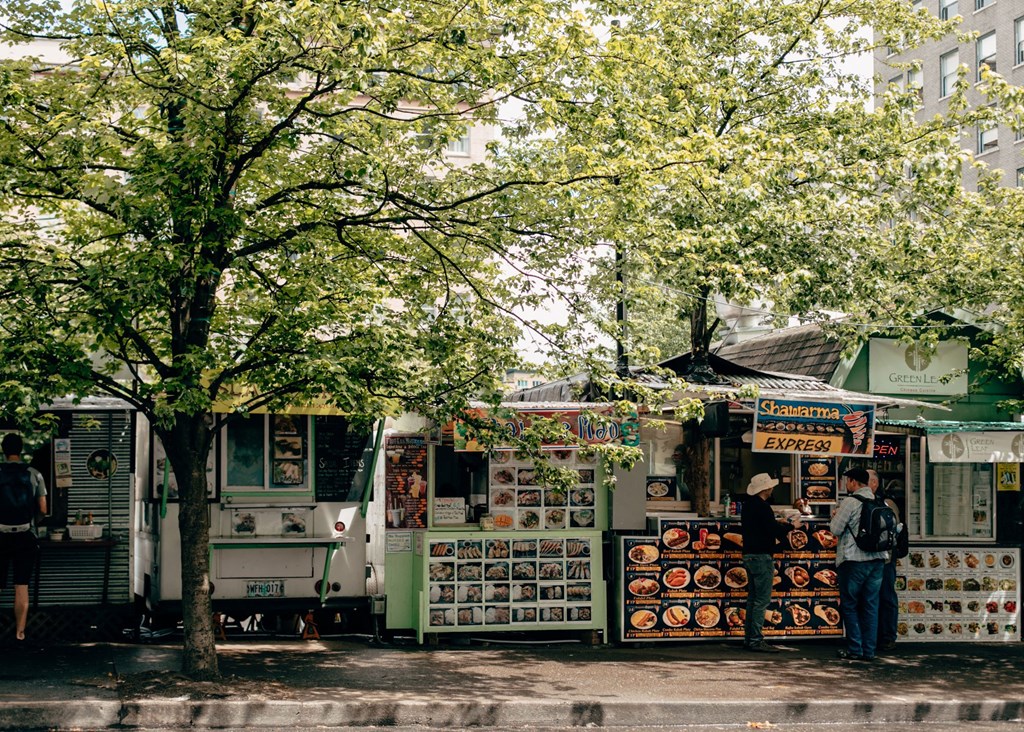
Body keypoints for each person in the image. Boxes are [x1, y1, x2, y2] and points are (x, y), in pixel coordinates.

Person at [830, 467, 887, 661]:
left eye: (848, 481)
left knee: (850, 604)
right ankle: (869, 651)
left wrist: (835, 516)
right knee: (871, 605)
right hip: (878, 560)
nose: (846, 485)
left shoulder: (850, 501)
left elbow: (836, 530)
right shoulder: (879, 501)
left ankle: (856, 649)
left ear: (854, 482)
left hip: (854, 561)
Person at [741, 472, 800, 653]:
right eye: (771, 486)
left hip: (749, 555)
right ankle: (756, 640)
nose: (773, 488)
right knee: (762, 600)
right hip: (762, 557)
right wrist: (791, 526)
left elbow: (761, 526)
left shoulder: (748, 506)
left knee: (752, 599)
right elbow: (773, 531)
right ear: (766, 489)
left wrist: (776, 521)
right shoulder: (764, 507)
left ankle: (749, 638)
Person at [0, 433, 47, 642]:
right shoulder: (34, 474)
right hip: (25, 534)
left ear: (3, 450)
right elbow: (43, 508)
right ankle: (20, 632)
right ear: (20, 450)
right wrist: (34, 523)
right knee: (21, 586)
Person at [869, 469, 900, 652]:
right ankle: (875, 636)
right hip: (871, 557)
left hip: (886, 557)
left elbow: (894, 531)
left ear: (875, 484)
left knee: (886, 596)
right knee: (872, 598)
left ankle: (888, 636)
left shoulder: (886, 504)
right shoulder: (865, 502)